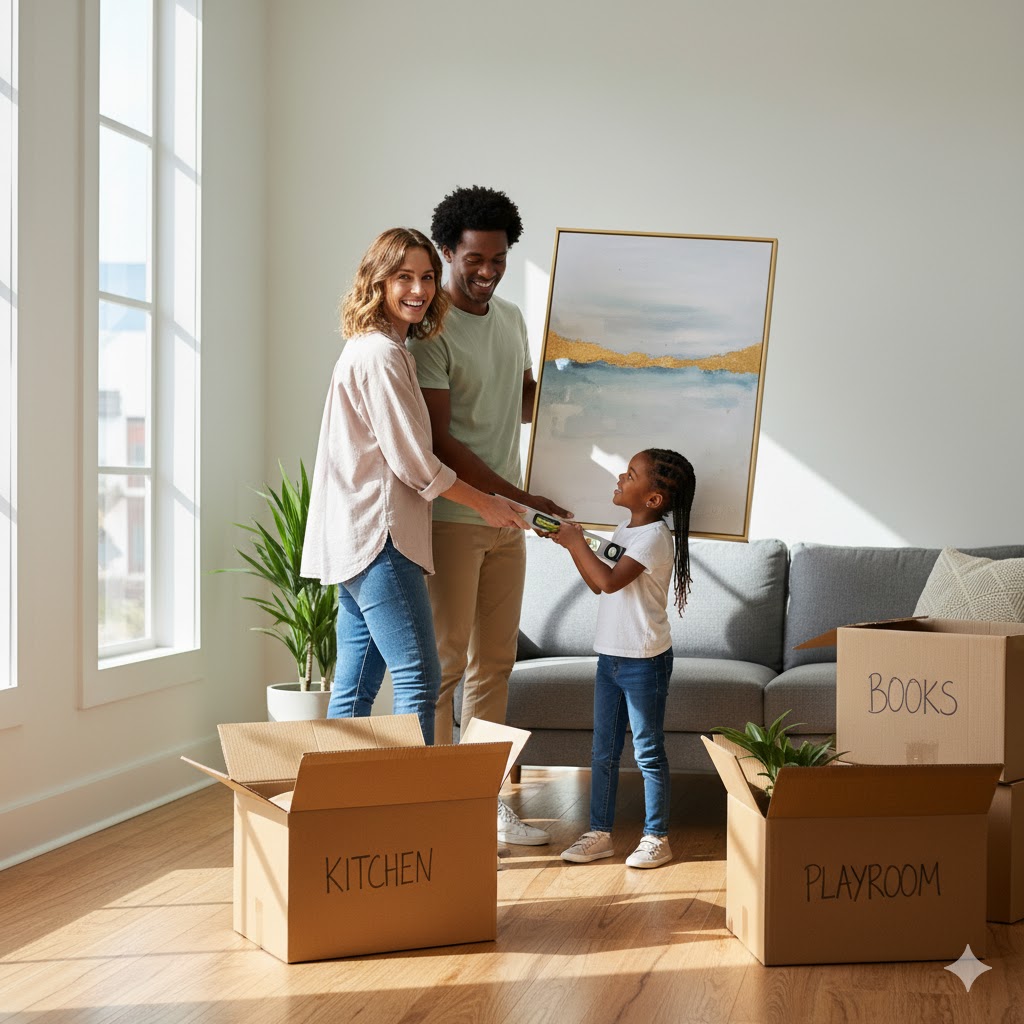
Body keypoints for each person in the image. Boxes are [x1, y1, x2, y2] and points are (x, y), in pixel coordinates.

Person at [300, 227, 526, 746]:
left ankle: (340, 810)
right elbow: (415, 464)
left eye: (426, 277)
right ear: (377, 282)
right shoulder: (379, 355)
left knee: (356, 687)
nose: (419, 290)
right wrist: (488, 504)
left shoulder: (380, 349)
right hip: (382, 540)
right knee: (419, 675)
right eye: (404, 277)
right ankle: (418, 812)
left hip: (358, 540)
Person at [408, 186, 570, 847]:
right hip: (454, 519)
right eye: (475, 258)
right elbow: (442, 444)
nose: (487, 271)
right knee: (446, 663)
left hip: (507, 525)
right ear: (447, 251)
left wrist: (584, 380)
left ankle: (489, 802)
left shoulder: (511, 320)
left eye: (498, 260)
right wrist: (520, 501)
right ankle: (434, 804)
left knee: (495, 663)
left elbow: (521, 403)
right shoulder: (429, 333)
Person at [547, 448, 696, 869]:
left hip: (644, 659)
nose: (620, 476)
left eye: (630, 474)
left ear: (653, 500)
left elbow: (610, 582)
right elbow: (598, 582)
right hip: (609, 657)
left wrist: (576, 543)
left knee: (647, 751)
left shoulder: (653, 538)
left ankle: (656, 837)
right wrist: (573, 544)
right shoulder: (624, 530)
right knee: (603, 751)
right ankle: (600, 832)